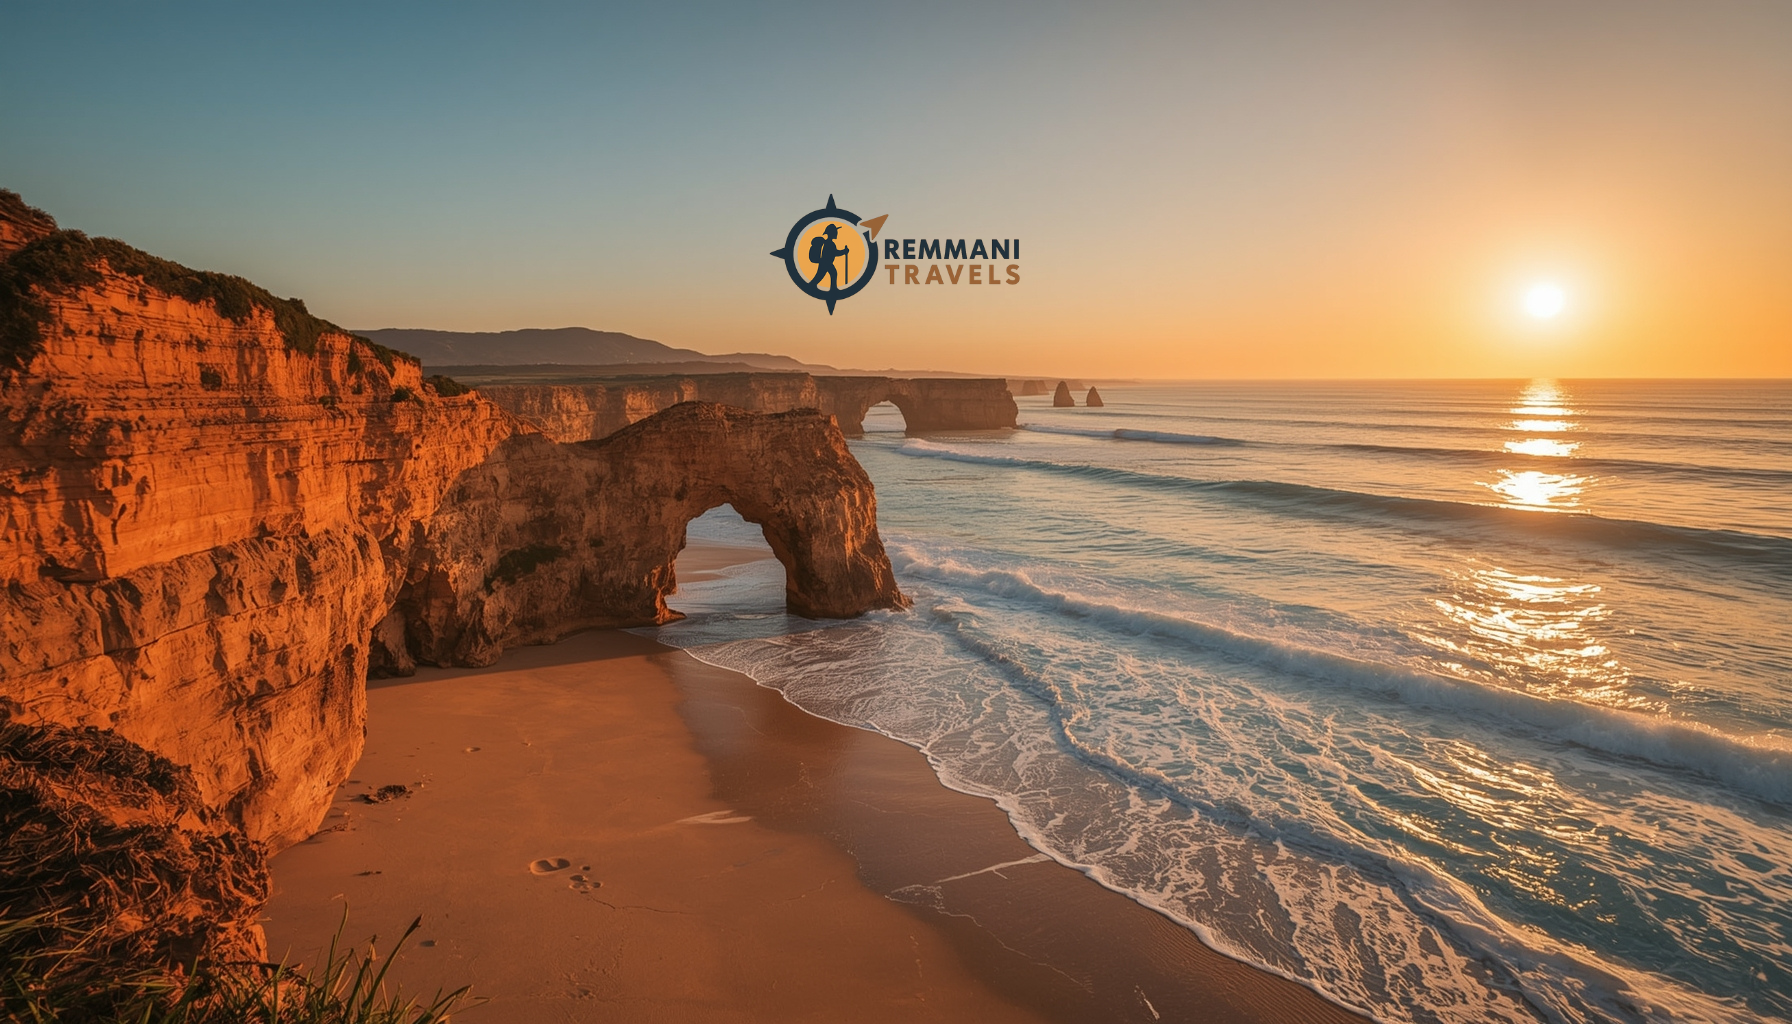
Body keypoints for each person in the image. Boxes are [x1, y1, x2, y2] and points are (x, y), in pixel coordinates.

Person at [807, 223, 851, 291]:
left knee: (826, 274)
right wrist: (844, 251)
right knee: (825, 275)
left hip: (826, 262)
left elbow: (834, 252)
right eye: (835, 232)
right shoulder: (829, 243)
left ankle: (830, 288)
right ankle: (831, 288)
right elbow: (835, 253)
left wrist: (844, 251)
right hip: (826, 263)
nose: (837, 233)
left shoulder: (828, 243)